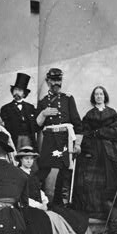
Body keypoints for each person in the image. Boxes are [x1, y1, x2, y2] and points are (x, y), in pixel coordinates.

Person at [16, 147, 91, 234]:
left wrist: (45, 201)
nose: (29, 161)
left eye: (31, 159)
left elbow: (39, 190)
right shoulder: (18, 174)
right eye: (26, 159)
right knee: (43, 222)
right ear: (20, 160)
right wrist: (38, 206)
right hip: (27, 206)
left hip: (40, 204)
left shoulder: (33, 174)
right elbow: (21, 195)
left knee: (65, 215)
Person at [74, 86, 117, 234]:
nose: (99, 96)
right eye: (96, 94)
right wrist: (93, 136)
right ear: (94, 97)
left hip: (111, 151)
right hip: (93, 152)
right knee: (93, 183)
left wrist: (99, 132)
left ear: (105, 96)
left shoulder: (112, 113)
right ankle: (97, 215)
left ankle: (113, 224)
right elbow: (85, 133)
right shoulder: (89, 115)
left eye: (101, 94)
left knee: (110, 184)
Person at [36, 68, 83, 207]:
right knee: (44, 169)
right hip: (50, 139)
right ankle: (39, 199)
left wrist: (77, 144)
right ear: (47, 81)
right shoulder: (43, 102)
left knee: (65, 170)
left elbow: (77, 123)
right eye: (54, 80)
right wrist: (44, 114)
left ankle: (60, 204)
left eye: (59, 80)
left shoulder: (68, 99)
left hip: (65, 138)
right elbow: (37, 126)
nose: (57, 83)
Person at [0, 72, 38, 150]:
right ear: (12, 91)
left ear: (24, 94)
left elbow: (35, 125)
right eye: (15, 90)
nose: (17, 92)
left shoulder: (30, 107)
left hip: (29, 140)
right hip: (13, 141)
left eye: (20, 90)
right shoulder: (5, 108)